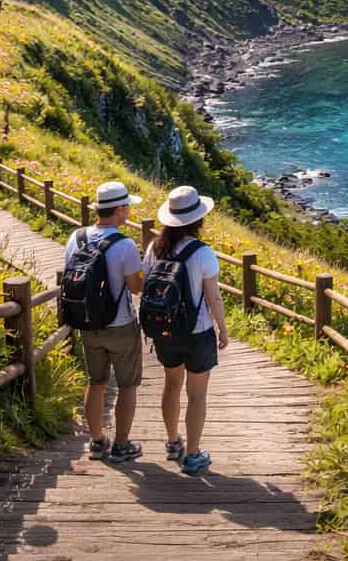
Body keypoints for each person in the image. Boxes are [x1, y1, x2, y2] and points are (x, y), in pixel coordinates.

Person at [143, 186, 229, 473]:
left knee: (171, 385)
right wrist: (223, 330)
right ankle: (193, 455)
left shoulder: (154, 248)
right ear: (198, 220)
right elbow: (214, 298)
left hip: (165, 331)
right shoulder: (202, 253)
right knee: (197, 395)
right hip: (198, 331)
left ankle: (172, 443)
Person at [66, 182, 146, 463]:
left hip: (88, 323)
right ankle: (121, 445)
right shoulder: (124, 245)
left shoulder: (76, 238)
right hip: (120, 323)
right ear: (120, 209)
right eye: (128, 207)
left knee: (96, 381)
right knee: (127, 385)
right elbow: (135, 288)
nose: (129, 211)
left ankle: (97, 441)